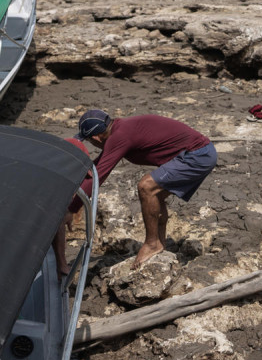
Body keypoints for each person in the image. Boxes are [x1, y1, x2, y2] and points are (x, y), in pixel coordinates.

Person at [63, 108, 217, 270]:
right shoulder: (119, 129)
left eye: (89, 141)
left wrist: (71, 209)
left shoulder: (120, 136)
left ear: (95, 138)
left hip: (197, 155)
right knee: (155, 194)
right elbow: (97, 166)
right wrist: (72, 184)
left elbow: (98, 176)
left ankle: (151, 243)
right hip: (199, 152)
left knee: (147, 187)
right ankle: (159, 243)